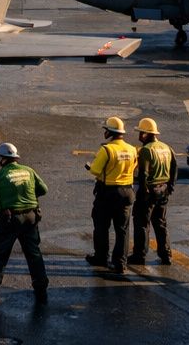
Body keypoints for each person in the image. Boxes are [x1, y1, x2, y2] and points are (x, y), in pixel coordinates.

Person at [0, 142, 49, 302]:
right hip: (31, 217)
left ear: (2, 159)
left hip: (10, 219)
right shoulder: (29, 171)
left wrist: (1, 201)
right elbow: (43, 189)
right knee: (33, 252)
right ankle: (41, 284)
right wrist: (26, 198)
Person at [85, 116, 137, 273]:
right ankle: (120, 262)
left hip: (107, 193)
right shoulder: (132, 149)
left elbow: (95, 170)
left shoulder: (106, 149)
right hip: (127, 192)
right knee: (122, 229)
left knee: (101, 227)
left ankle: (101, 257)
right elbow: (134, 167)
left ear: (110, 132)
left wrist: (90, 166)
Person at [128, 117, 176, 265]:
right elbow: (174, 168)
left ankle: (139, 255)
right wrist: (170, 187)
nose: (139, 136)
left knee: (142, 223)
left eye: (140, 133)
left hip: (150, 190)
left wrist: (143, 192)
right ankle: (166, 254)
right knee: (160, 223)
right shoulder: (167, 148)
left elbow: (143, 174)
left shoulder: (146, 151)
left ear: (145, 134)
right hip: (163, 189)